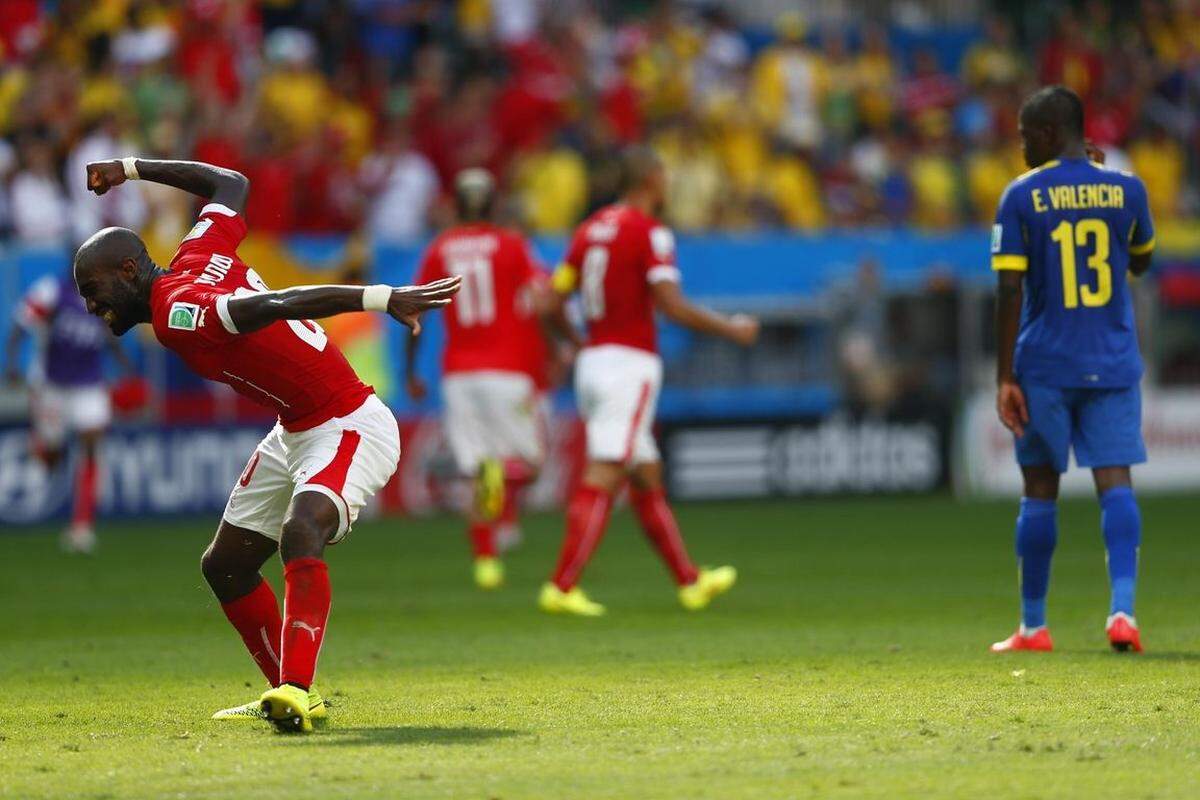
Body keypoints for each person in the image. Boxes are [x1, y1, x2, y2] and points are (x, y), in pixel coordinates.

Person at [74, 157, 459, 732]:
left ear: (129, 270)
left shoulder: (178, 311)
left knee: (301, 530)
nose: (90, 303)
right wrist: (128, 169)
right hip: (295, 428)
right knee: (225, 566)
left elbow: (276, 304)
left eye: (94, 288)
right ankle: (286, 689)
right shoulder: (197, 254)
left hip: (350, 422)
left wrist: (378, 298)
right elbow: (232, 185)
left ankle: (296, 691)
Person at [538, 146, 759, 616]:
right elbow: (671, 304)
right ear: (653, 179)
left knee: (645, 473)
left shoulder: (589, 230)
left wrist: (577, 342)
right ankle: (561, 585)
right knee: (607, 469)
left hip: (596, 362)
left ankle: (689, 581)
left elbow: (550, 300)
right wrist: (731, 329)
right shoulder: (650, 232)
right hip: (628, 365)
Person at [989, 86, 1154, 654]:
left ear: (1049, 134)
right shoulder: (1128, 189)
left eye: (1024, 136)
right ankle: (1124, 614)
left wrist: (1003, 376)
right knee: (1116, 482)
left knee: (1040, 487)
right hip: (1110, 360)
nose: (1020, 146)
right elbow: (1143, 259)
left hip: (1045, 364)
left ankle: (1034, 626)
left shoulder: (1020, 196)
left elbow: (1008, 288)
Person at [406, 169, 554, 590]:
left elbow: (414, 310)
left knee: (476, 470)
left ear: (455, 204)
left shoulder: (440, 248)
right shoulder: (512, 246)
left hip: (459, 373)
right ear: (494, 205)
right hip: (507, 369)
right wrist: (560, 346)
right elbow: (543, 299)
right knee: (531, 465)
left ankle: (487, 562)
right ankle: (500, 487)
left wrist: (414, 371)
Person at [4, 270, 134, 553]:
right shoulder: (51, 290)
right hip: (52, 384)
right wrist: (12, 363)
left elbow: (108, 336)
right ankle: (43, 446)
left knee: (90, 444)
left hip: (89, 384)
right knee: (52, 455)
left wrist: (125, 369)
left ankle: (81, 526)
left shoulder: (104, 296)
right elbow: (20, 325)